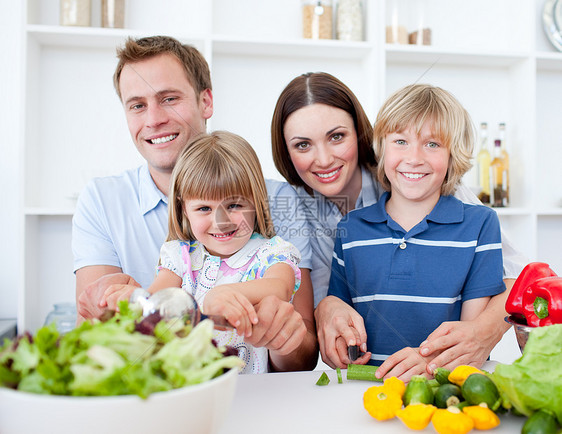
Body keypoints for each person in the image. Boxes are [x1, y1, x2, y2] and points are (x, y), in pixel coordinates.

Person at [72, 36, 318, 372]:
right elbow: (140, 312)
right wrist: (125, 301)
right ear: (182, 210)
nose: (154, 118)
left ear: (206, 101)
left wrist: (237, 302)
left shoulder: (277, 222)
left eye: (169, 99)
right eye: (137, 105)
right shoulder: (174, 250)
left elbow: (300, 342)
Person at [270, 72, 528, 378]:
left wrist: (479, 333)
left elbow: (520, 278)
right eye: (302, 145)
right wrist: (328, 305)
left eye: (336, 136)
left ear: (362, 134)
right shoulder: (302, 211)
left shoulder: (449, 198)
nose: (324, 159)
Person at [328, 84, 506, 380]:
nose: (414, 157)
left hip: (442, 393)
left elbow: (468, 340)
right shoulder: (351, 228)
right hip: (365, 394)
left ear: (453, 154)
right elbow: (341, 320)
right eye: (400, 141)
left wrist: (430, 365)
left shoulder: (480, 225)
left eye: (432, 144)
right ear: (382, 149)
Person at [102, 131, 302, 374]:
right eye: (204, 208)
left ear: (256, 202)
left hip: (254, 392)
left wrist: (223, 294)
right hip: (191, 388)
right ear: (184, 209)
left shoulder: (272, 253)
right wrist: (132, 301)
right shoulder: (179, 255)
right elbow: (157, 299)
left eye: (234, 205)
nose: (221, 222)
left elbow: (279, 286)